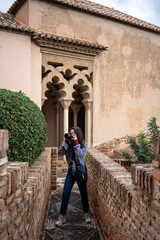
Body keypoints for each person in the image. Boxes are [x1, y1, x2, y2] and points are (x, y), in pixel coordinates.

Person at [55, 126, 91, 227]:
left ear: (77, 135)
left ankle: (86, 214)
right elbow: (60, 152)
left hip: (81, 171)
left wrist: (76, 143)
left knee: (83, 194)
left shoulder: (83, 144)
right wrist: (65, 142)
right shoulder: (68, 144)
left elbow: (80, 157)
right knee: (65, 193)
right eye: (70, 133)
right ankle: (62, 216)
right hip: (71, 171)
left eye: (73, 134)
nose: (71, 135)